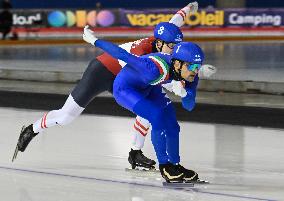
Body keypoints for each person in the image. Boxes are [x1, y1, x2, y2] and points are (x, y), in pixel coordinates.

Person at [12, 2, 201, 163]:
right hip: (102, 72)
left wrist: (188, 8)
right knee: (66, 117)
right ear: (159, 44)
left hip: (126, 77)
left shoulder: (164, 40)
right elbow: (152, 74)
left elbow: (175, 21)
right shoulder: (144, 53)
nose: (174, 51)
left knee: (149, 109)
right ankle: (32, 129)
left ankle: (135, 153)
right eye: (171, 47)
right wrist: (177, 86)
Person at [82, 26, 205, 183]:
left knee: (172, 124)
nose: (195, 71)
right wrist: (94, 40)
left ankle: (175, 164)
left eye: (198, 67)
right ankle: (165, 166)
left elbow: (189, 106)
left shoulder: (191, 77)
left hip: (149, 87)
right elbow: (122, 55)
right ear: (177, 64)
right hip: (126, 88)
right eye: (192, 66)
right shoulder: (153, 68)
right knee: (156, 115)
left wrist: (184, 93)